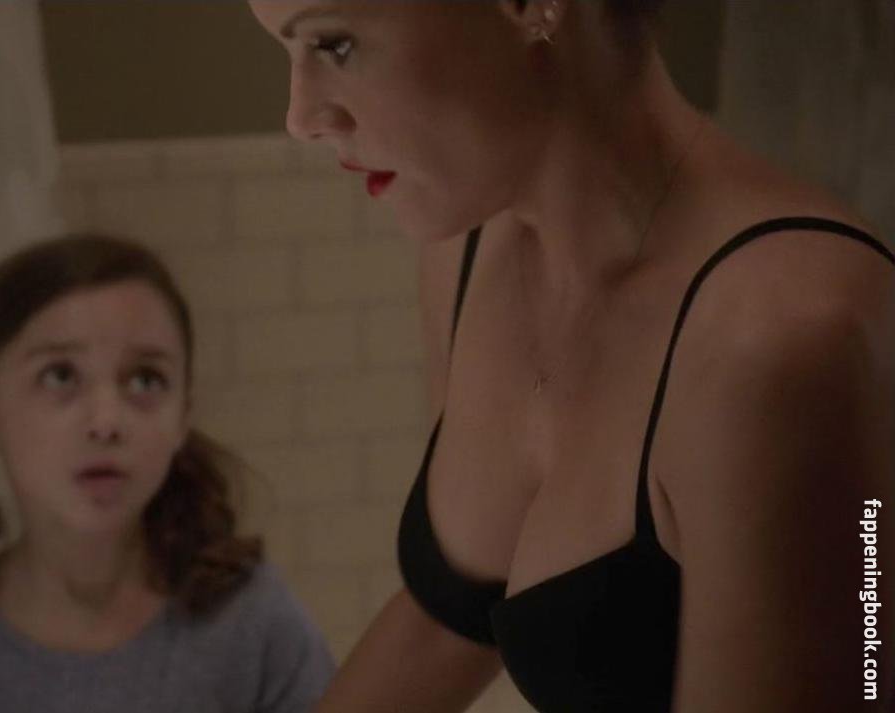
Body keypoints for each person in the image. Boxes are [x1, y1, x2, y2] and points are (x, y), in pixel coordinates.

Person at [248, 1, 895, 711]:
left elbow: (864, 664)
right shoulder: (467, 251)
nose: (300, 117)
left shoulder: (784, 337)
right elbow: (444, 620)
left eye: (335, 45)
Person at [0, 234, 334, 713]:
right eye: (60, 375)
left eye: (145, 379)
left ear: (183, 416)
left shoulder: (250, 621)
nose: (106, 422)